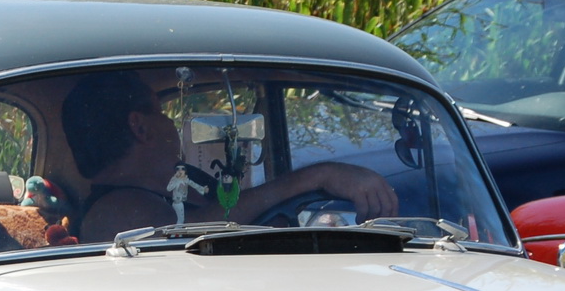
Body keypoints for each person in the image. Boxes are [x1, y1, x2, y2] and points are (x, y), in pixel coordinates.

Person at [62, 71, 399, 243]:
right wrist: (318, 176)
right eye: (161, 112)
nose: (171, 124)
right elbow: (190, 232)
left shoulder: (185, 184)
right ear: (140, 127)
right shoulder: (113, 212)